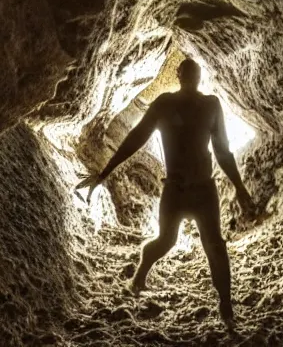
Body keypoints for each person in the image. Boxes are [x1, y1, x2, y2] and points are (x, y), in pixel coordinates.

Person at [76, 58, 256, 326]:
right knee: (166, 241)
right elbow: (136, 137)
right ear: (178, 74)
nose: (192, 74)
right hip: (174, 189)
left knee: (215, 246)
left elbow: (222, 151)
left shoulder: (211, 105)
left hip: (205, 189)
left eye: (196, 70)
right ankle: (139, 277)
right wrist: (105, 172)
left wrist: (240, 187)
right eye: (187, 70)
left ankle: (227, 308)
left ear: (200, 76)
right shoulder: (164, 103)